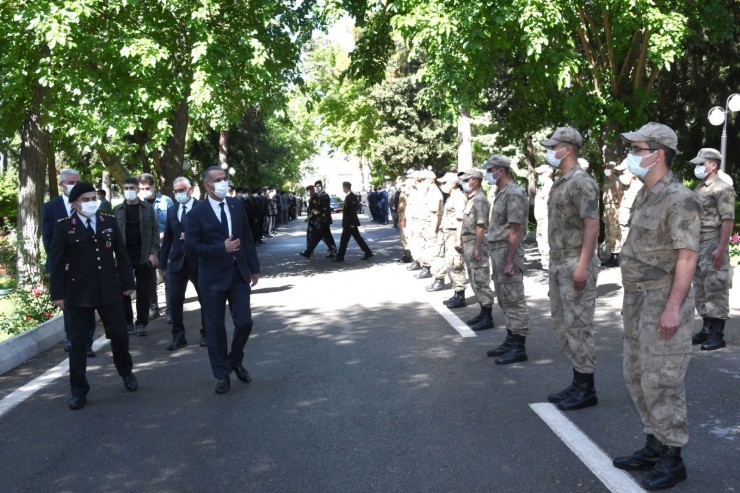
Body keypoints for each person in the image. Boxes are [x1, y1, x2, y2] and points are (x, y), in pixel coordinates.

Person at [612, 122, 701, 490]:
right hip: (637, 299)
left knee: (662, 380)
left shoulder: (680, 198)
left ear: (658, 153)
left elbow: (687, 257)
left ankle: (672, 457)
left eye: (637, 148)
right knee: (636, 375)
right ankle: (653, 444)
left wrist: (673, 308)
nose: (631, 155)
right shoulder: (647, 194)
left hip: (662, 299)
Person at [48, 181, 138, 410]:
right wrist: (57, 293)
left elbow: (121, 253)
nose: (91, 203)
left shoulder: (107, 221)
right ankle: (78, 390)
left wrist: (128, 282)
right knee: (77, 343)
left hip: (109, 289)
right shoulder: (64, 226)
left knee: (120, 334)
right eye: (85, 200)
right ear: (75, 203)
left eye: (93, 198)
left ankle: (125, 371)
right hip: (79, 293)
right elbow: (56, 263)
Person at [185, 166, 260, 394]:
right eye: (219, 180)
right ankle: (221, 374)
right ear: (208, 185)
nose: (224, 183)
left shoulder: (237, 205)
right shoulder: (196, 213)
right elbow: (191, 246)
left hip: (238, 273)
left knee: (245, 322)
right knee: (215, 328)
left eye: (225, 179)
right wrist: (221, 247)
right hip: (212, 278)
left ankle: (234, 359)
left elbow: (247, 237)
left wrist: (254, 268)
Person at [541, 126, 600, 411]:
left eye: (553, 147)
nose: (550, 151)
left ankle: (586, 387)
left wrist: (583, 266)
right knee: (563, 326)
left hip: (575, 261)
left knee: (579, 326)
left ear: (567, 148)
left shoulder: (582, 182)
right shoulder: (561, 182)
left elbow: (592, 225)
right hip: (558, 261)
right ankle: (578, 381)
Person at [41, 169, 96, 357]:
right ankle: (71, 338)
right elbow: (48, 238)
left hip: (86, 265)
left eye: (77, 181)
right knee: (69, 305)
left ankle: (88, 342)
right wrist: (60, 261)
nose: (75, 185)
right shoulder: (50, 207)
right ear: (62, 184)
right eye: (71, 182)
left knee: (88, 302)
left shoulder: (88, 204)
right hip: (63, 265)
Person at [483, 155, 530, 364]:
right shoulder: (500, 193)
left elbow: (515, 229)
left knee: (514, 299)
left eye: (490, 170)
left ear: (500, 171)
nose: (488, 174)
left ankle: (519, 346)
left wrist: (510, 260)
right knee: (504, 299)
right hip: (498, 251)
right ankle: (511, 339)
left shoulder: (514, 193)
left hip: (507, 251)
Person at [688, 148, 735, 350]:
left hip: (713, 241)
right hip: (698, 242)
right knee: (701, 286)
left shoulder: (721, 188)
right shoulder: (701, 187)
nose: (698, 167)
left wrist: (722, 247)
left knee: (715, 286)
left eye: (702, 163)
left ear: (713, 164)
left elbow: (728, 219)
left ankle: (718, 334)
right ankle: (706, 328)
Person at [159, 177, 207, 350]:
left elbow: (211, 233)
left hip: (199, 261)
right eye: (176, 191)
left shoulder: (203, 207)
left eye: (182, 190)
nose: (179, 194)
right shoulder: (172, 210)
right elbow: (168, 239)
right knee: (174, 300)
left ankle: (206, 334)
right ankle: (178, 336)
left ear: (191, 189)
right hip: (177, 262)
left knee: (205, 298)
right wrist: (162, 263)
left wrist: (193, 237)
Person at [113, 177, 160, 336]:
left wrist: (154, 253)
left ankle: (141, 323)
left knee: (143, 290)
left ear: (138, 190)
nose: (129, 191)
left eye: (132, 188)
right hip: (123, 256)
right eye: (126, 188)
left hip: (143, 254)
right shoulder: (117, 210)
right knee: (124, 290)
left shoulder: (147, 208)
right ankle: (127, 322)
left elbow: (154, 232)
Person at [455, 169, 495, 330]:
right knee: (473, 278)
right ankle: (482, 311)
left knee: (480, 278)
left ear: (476, 181)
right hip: (469, 242)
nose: (464, 182)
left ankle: (487, 315)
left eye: (467, 179)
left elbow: (480, 225)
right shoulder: (471, 199)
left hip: (475, 241)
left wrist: (477, 248)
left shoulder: (479, 199)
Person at [138, 173, 173, 321]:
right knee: (149, 279)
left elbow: (173, 223)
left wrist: (162, 235)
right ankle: (153, 306)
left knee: (169, 278)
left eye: (147, 188)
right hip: (147, 248)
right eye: (142, 188)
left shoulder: (166, 201)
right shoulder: (137, 203)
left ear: (153, 186)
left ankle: (171, 309)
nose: (145, 191)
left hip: (166, 246)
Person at [429, 172, 468, 308]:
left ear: (453, 183)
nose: (442, 185)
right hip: (448, 235)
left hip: (454, 235)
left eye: (445, 182)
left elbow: (460, 220)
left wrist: (458, 239)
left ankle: (460, 295)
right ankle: (456, 293)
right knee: (450, 264)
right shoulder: (452, 197)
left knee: (456, 264)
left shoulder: (458, 198)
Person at [414, 170, 444, 279]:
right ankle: (428, 270)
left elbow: (435, 214)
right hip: (427, 226)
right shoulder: (428, 192)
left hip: (432, 228)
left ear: (431, 180)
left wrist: (433, 232)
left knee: (436, 254)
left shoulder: (434, 193)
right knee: (429, 251)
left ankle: (439, 279)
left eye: (422, 180)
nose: (421, 182)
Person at [334, 182, 373, 261]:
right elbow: (348, 208)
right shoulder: (349, 196)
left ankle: (340, 257)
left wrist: (352, 223)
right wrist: (341, 209)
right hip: (349, 222)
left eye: (343, 187)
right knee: (358, 239)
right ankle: (368, 252)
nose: (343, 189)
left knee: (344, 240)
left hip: (349, 223)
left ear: (345, 187)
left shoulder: (351, 196)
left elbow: (352, 211)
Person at [299, 180, 337, 259]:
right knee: (327, 236)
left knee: (316, 237)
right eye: (316, 186)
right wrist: (311, 215)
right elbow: (314, 208)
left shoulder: (325, 195)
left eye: (318, 186)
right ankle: (333, 249)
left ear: (322, 186)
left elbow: (323, 208)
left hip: (323, 220)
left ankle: (308, 252)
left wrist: (310, 216)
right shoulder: (317, 195)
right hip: (319, 220)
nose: (317, 188)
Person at [600, 160, 623, 267]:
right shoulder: (607, 181)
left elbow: (620, 197)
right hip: (607, 208)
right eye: (606, 167)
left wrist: (618, 211)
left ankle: (616, 257)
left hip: (614, 208)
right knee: (608, 233)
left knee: (614, 233)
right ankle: (611, 256)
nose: (607, 169)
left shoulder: (616, 181)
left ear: (613, 169)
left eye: (609, 167)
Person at [533, 164, 553, 271]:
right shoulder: (542, 188)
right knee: (540, 241)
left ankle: (550, 263)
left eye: (541, 174)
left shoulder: (551, 187)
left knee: (547, 242)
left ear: (548, 174)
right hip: (540, 220)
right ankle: (545, 263)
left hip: (547, 219)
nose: (539, 176)